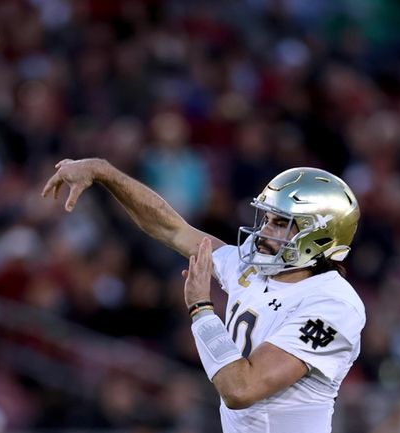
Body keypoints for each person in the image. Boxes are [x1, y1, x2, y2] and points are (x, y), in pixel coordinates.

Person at [42, 158, 365, 433]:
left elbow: (241, 388)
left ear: (319, 236)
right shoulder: (253, 269)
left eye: (280, 223)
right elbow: (170, 228)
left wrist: (201, 309)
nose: (264, 232)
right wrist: (105, 172)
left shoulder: (334, 304)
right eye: (266, 219)